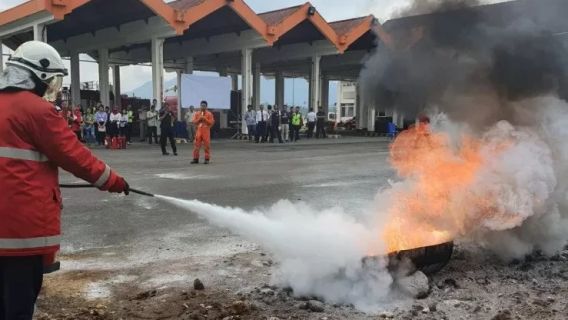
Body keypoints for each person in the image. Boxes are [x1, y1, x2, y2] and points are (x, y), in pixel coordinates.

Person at [0, 40, 129, 320]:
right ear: (37, 76)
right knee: (18, 304)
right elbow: (74, 156)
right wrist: (114, 181)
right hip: (19, 229)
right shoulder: (37, 111)